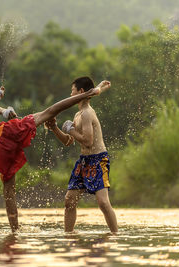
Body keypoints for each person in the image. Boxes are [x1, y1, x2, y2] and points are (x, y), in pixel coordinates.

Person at [0, 79, 110, 232]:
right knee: (49, 111)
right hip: (5, 133)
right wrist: (3, 110)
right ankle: (89, 93)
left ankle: (15, 230)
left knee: (8, 191)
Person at [44, 76, 117, 233]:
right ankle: (68, 235)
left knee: (103, 203)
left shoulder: (86, 114)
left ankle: (115, 236)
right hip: (84, 161)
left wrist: (70, 129)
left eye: (72, 91)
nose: (70, 95)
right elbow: (69, 141)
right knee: (69, 200)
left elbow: (88, 141)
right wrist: (55, 128)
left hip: (98, 160)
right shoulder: (78, 115)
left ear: (81, 92)